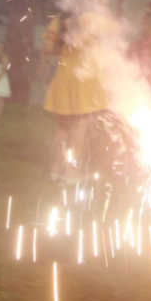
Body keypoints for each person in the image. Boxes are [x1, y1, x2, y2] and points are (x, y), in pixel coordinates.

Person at [42, 15, 108, 184]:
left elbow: (48, 48)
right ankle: (71, 172)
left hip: (64, 77)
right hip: (83, 80)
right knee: (80, 127)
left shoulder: (58, 20)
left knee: (62, 128)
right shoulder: (88, 18)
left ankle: (56, 170)